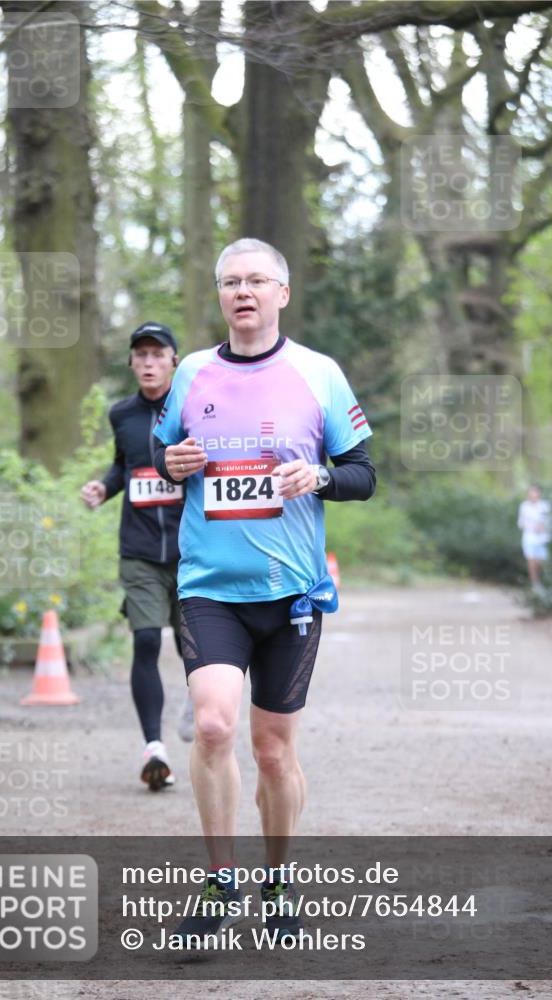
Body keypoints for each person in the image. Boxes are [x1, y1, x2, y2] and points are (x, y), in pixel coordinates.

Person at [153, 238, 375, 939]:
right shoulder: (192, 372)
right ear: (220, 295)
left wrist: (320, 476)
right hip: (209, 587)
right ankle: (221, 880)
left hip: (290, 594)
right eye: (229, 282)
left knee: (273, 750)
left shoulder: (319, 373)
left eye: (255, 280)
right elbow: (162, 454)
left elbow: (364, 473)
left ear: (281, 293)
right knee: (213, 725)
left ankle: (278, 882)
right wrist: (173, 462)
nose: (241, 292)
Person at [80, 321, 193, 793]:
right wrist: (103, 487)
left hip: (192, 549)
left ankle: (200, 703)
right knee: (146, 640)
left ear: (173, 362)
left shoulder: (193, 411)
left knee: (194, 646)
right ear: (131, 362)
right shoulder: (121, 414)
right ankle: (154, 748)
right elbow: (123, 466)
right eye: (140, 355)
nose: (148, 363)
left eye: (157, 354)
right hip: (140, 550)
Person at [517, 485, 552, 587]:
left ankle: (542, 582)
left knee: (542, 561)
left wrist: (543, 526)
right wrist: (531, 527)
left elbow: (550, 521)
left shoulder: (545, 506)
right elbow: (521, 523)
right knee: (531, 560)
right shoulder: (524, 506)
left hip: (543, 539)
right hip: (529, 537)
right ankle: (534, 584)